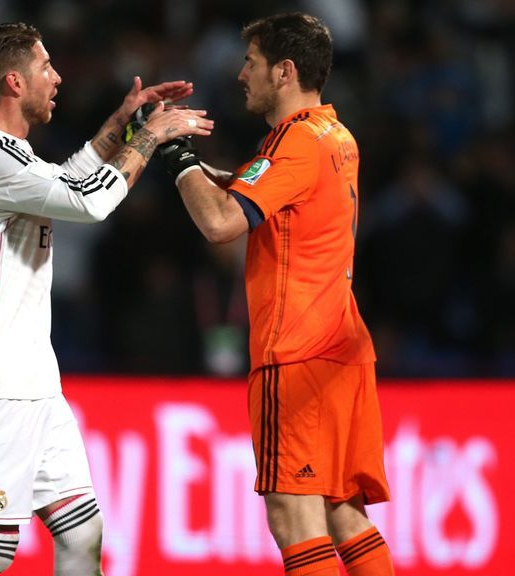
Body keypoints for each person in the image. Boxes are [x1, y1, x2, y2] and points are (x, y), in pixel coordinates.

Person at [0, 22, 212, 576]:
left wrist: (121, 125)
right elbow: (91, 202)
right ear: (13, 82)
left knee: (81, 532)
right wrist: (151, 138)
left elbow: (63, 181)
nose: (57, 77)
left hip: (33, 380)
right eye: (45, 67)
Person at [158, 13, 394, 576]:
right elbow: (271, 195)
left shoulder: (292, 144)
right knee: (343, 513)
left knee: (293, 518)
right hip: (343, 348)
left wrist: (177, 158)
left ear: (284, 71)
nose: (241, 74)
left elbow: (220, 225)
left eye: (252, 62)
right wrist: (213, 174)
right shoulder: (333, 135)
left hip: (296, 351)